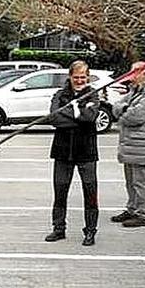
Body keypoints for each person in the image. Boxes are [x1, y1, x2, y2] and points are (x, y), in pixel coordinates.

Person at [45, 60, 101, 246]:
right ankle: (58, 228)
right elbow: (53, 118)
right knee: (60, 191)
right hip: (62, 151)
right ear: (70, 76)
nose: (79, 80)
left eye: (82, 77)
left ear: (88, 76)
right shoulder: (60, 94)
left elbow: (90, 117)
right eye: (76, 77)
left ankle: (90, 230)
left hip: (86, 151)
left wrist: (71, 113)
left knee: (90, 192)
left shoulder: (93, 95)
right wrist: (78, 116)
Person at [110, 62, 145, 228]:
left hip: (143, 143)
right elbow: (116, 107)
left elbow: (135, 116)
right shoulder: (136, 91)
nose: (132, 76)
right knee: (130, 180)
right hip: (130, 143)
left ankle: (142, 213)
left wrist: (123, 112)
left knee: (140, 181)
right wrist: (124, 109)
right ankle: (132, 208)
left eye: (135, 73)